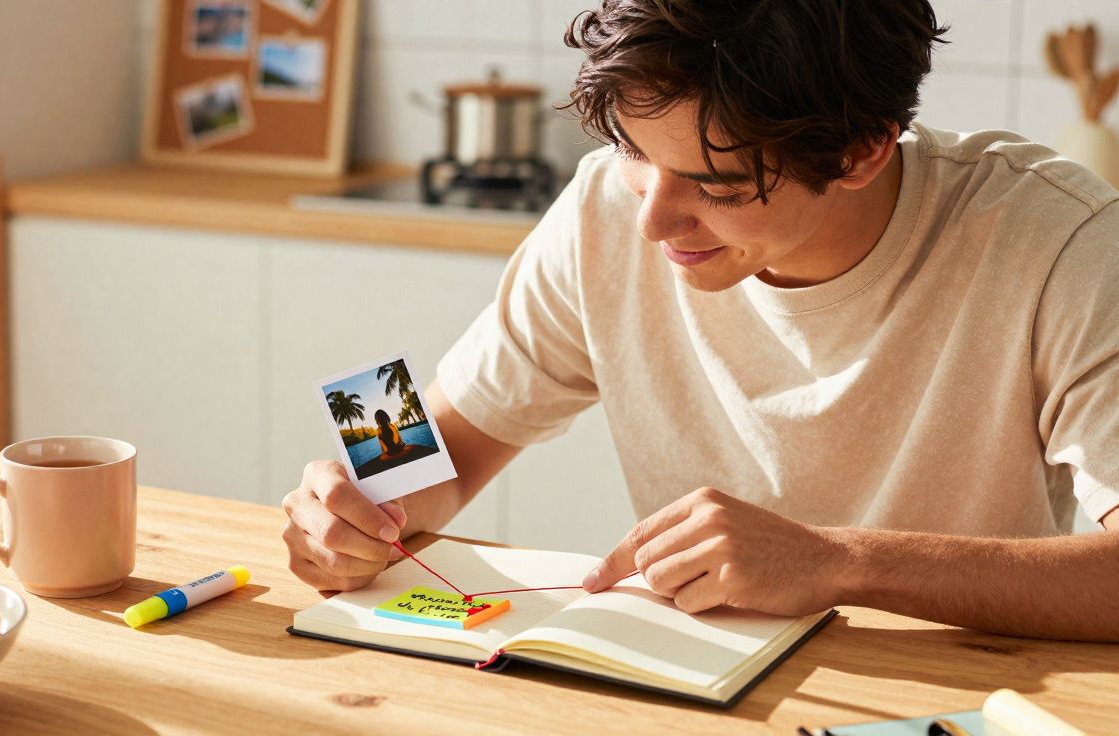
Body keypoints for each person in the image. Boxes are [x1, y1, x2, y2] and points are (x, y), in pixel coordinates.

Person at [282, 0, 1119, 642]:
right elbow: (445, 450)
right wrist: (358, 499)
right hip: (695, 680)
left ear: (866, 148)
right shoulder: (603, 208)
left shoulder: (1060, 241)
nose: (653, 224)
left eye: (715, 187)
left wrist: (837, 562)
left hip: (941, 700)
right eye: (636, 153)